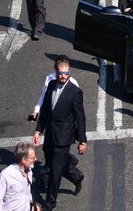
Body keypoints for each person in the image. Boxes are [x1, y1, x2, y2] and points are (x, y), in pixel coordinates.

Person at [32, 56, 88, 208]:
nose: (64, 76)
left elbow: (80, 117)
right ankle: (76, 176)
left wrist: (83, 141)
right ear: (56, 72)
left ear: (70, 72)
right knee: (52, 163)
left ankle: (50, 203)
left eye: (66, 73)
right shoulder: (51, 84)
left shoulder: (75, 92)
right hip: (50, 134)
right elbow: (45, 111)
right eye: (61, 73)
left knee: (55, 171)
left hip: (63, 137)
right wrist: (38, 130)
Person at [0, 141, 37, 211]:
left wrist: (34, 205)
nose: (35, 159)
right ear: (24, 160)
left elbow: (26, 192)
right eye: (33, 158)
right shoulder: (6, 175)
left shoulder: (28, 170)